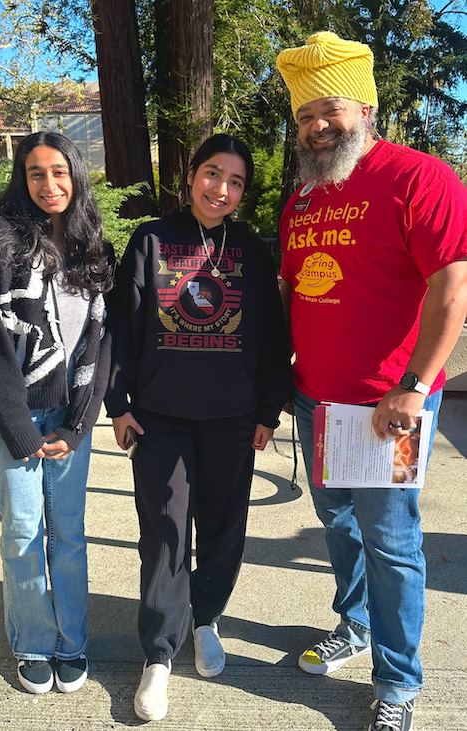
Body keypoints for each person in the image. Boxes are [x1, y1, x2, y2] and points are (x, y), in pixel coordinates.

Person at [276, 31, 467, 731]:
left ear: (365, 107)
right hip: (317, 400)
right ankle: (354, 625)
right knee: (338, 522)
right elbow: (293, 292)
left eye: (330, 110)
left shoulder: (420, 177)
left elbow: (453, 287)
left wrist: (414, 386)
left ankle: (399, 681)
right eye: (305, 117)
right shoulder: (303, 198)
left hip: (390, 402)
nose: (318, 127)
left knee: (391, 541)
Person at [105, 133, 291, 721]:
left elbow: (272, 337)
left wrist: (267, 411)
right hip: (161, 416)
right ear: (191, 175)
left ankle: (205, 617)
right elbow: (121, 325)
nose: (222, 189)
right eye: (214, 174)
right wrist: (118, 402)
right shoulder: (152, 239)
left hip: (233, 420)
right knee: (163, 532)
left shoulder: (252, 255)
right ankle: (158, 654)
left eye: (236, 182)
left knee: (223, 528)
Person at [0, 132, 115, 695]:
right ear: (21, 178)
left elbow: (101, 345)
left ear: (76, 175)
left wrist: (79, 425)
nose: (49, 185)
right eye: (36, 173)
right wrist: (21, 431)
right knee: (24, 532)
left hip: (68, 419)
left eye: (59, 172)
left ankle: (71, 640)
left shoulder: (91, 247)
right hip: (14, 418)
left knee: (69, 534)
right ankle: (32, 642)